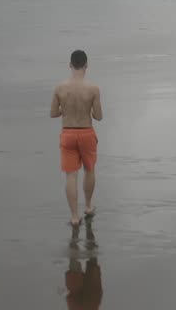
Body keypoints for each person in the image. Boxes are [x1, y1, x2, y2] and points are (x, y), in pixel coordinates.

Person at [51, 49, 103, 226]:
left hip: (68, 133)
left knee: (71, 176)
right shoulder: (93, 88)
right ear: (86, 65)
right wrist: (87, 108)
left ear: (70, 65)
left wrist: (65, 109)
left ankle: (74, 217)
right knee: (89, 170)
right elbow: (98, 116)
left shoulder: (59, 88)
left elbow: (53, 113)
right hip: (86, 132)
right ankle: (88, 207)